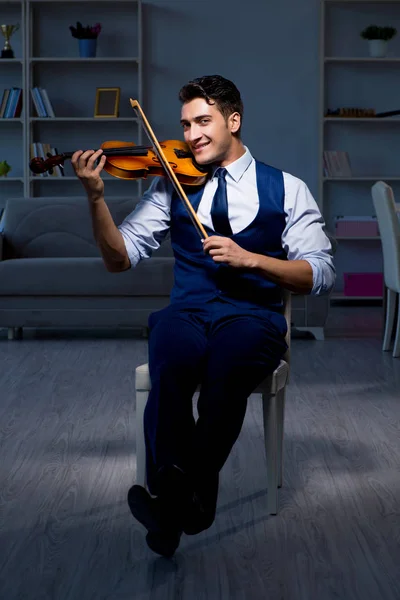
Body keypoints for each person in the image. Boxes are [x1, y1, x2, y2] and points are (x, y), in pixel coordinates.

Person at [71, 74, 336, 558]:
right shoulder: (170, 183)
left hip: (252, 317)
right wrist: (95, 196)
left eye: (203, 121)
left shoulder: (288, 188)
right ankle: (187, 502)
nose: (190, 135)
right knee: (170, 361)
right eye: (185, 124)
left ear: (233, 121)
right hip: (188, 312)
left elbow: (318, 272)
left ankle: (171, 508)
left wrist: (251, 259)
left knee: (227, 373)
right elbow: (119, 258)